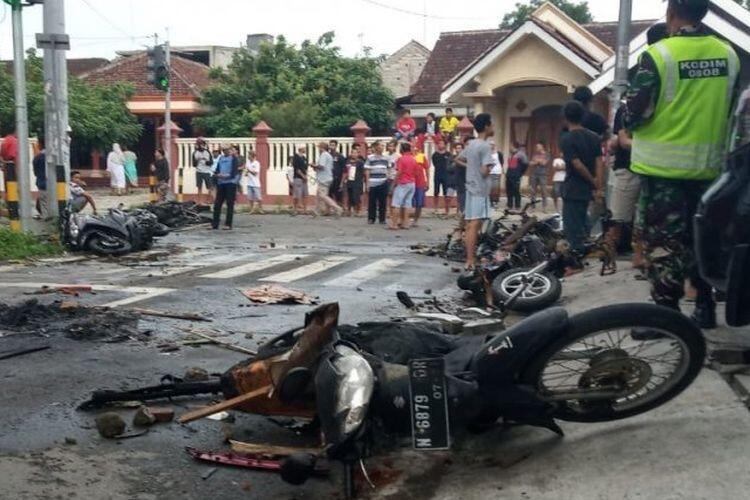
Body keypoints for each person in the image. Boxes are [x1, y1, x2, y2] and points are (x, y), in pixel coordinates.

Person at [626, 0, 740, 329]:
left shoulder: (659, 55)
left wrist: (625, 117)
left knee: (665, 245)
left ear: (672, 11)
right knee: (702, 239)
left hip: (664, 174)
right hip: (711, 170)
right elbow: (733, 108)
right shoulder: (729, 55)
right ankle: (704, 306)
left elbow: (636, 113)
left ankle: (666, 317)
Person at [560, 101, 605, 258]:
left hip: (572, 188)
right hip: (587, 190)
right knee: (583, 220)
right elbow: (599, 162)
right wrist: (598, 185)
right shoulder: (594, 137)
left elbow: (577, 165)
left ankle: (576, 259)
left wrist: (592, 181)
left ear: (565, 118)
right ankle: (585, 249)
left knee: (572, 228)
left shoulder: (566, 139)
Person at [454, 113, 494, 271]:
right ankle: (470, 259)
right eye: (491, 124)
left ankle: (470, 258)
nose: (493, 128)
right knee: (474, 225)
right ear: (486, 126)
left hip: (470, 187)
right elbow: (485, 171)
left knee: (471, 224)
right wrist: (486, 169)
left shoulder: (471, 145)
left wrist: (471, 168)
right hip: (480, 189)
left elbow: (458, 159)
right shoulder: (485, 146)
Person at [212, 145, 241, 230]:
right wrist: (216, 174)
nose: (225, 151)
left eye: (227, 149)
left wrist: (224, 175)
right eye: (224, 150)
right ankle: (215, 224)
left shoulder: (233, 158)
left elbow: (234, 173)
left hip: (230, 183)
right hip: (221, 183)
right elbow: (217, 170)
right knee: (217, 204)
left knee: (230, 204)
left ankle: (228, 224)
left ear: (230, 150)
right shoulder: (221, 159)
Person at [390, 142, 417, 230]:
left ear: (401, 149)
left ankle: (394, 224)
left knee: (396, 204)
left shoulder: (401, 159)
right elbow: (416, 172)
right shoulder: (413, 159)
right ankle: (406, 223)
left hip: (403, 183)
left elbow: (399, 172)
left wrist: (393, 184)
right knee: (407, 204)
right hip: (412, 183)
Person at [312, 142, 343, 217]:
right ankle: (318, 211)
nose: (318, 149)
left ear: (322, 148)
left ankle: (337, 208)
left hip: (324, 178)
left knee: (323, 195)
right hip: (327, 177)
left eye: (319, 147)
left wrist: (314, 165)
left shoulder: (324, 155)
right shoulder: (329, 156)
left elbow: (321, 166)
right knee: (318, 195)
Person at [364, 141, 390, 224]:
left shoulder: (386, 158)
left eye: (383, 146)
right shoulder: (370, 158)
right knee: (372, 202)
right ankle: (371, 218)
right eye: (381, 145)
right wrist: (367, 183)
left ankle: (382, 219)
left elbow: (388, 169)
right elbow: (367, 170)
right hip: (373, 182)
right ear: (376, 147)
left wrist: (387, 179)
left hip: (383, 182)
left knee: (383, 202)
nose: (382, 147)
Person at [432, 141, 452, 216]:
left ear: (445, 145)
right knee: (436, 192)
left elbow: (450, 163)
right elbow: (434, 164)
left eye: (442, 144)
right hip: (437, 175)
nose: (440, 145)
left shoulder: (448, 154)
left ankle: (446, 209)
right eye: (439, 144)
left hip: (446, 175)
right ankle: (435, 208)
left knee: (446, 193)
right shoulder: (435, 155)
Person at [345, 144, 365, 216]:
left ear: (358, 154)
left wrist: (364, 180)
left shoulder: (360, 162)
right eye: (352, 153)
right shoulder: (348, 162)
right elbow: (345, 171)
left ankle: (358, 210)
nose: (354, 154)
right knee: (350, 196)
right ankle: (349, 210)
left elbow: (364, 172)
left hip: (358, 182)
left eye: (355, 153)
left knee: (356, 196)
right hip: (350, 181)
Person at [505, 142, 527, 209]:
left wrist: (520, 173)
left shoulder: (521, 155)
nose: (509, 148)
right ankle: (510, 205)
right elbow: (510, 165)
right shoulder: (511, 155)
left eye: (510, 146)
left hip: (516, 175)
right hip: (509, 175)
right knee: (509, 191)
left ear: (514, 147)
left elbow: (526, 164)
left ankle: (517, 205)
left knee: (516, 190)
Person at [529, 142, 550, 211]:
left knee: (544, 191)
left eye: (538, 146)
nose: (536, 148)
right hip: (534, 174)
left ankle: (545, 207)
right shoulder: (534, 155)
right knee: (533, 191)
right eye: (536, 147)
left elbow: (544, 163)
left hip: (543, 175)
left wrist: (537, 161)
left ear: (542, 147)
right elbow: (530, 163)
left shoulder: (546, 154)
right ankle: (532, 207)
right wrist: (538, 161)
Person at [193, 138, 214, 205]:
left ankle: (208, 200)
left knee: (210, 187)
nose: (201, 145)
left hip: (207, 171)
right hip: (198, 171)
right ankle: (199, 201)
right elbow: (194, 164)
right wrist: (198, 160)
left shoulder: (207, 152)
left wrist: (206, 161)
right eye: (199, 144)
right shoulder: (195, 153)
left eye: (202, 144)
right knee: (199, 187)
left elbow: (211, 162)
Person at [412, 145, 429, 227]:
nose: (414, 148)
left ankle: (416, 220)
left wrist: (428, 182)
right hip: (409, 182)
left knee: (419, 203)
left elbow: (427, 169)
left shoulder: (422, 157)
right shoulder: (407, 156)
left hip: (420, 183)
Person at [244, 151, 264, 215]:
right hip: (249, 183)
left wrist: (249, 170)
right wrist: (246, 173)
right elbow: (246, 173)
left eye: (249, 155)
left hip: (255, 183)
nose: (248, 156)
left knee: (258, 197)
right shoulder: (247, 163)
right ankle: (251, 210)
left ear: (252, 156)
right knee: (250, 198)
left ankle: (260, 209)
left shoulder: (256, 163)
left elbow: (255, 173)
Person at [291, 146, 309, 216]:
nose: (305, 149)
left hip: (304, 178)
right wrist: (303, 176)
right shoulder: (296, 157)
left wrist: (306, 176)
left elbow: (306, 168)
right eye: (304, 148)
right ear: (300, 149)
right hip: (298, 178)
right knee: (296, 194)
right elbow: (297, 169)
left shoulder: (304, 158)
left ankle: (305, 209)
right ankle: (295, 209)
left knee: (305, 194)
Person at [32, 140, 47, 219]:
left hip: (42, 183)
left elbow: (35, 172)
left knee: (44, 202)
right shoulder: (55, 156)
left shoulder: (37, 158)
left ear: (40, 145)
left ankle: (46, 219)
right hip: (56, 185)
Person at [329, 140, 346, 204]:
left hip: (337, 179)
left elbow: (344, 169)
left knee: (338, 195)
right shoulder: (327, 155)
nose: (331, 147)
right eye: (330, 145)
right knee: (329, 195)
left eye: (333, 145)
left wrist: (342, 181)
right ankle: (329, 211)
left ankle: (340, 209)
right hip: (329, 178)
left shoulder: (340, 156)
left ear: (336, 146)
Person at [452, 142, 467, 216]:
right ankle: (461, 212)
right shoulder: (453, 158)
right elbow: (449, 168)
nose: (459, 150)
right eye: (457, 148)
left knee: (464, 199)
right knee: (460, 198)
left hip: (466, 181)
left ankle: (463, 213)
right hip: (458, 181)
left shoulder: (466, 158)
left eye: (460, 148)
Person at [489, 141, 504, 208]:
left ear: (494, 145)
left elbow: (501, 162)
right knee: (490, 187)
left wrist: (501, 170)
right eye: (490, 145)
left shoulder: (498, 153)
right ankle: (490, 201)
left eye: (492, 144)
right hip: (489, 172)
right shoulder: (487, 153)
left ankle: (495, 201)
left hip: (497, 172)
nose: (491, 146)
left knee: (496, 187)